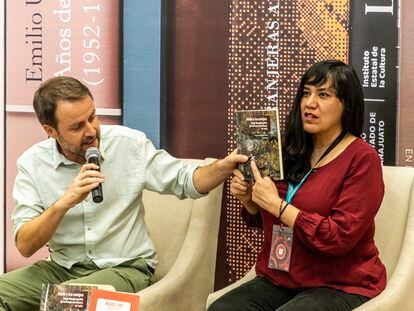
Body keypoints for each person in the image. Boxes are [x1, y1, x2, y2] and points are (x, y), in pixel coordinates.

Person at [0, 76, 248, 311]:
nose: (90, 131)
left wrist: (221, 168)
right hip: (63, 268)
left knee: (67, 299)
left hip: (126, 267)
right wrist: (64, 203)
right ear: (51, 130)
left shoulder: (128, 144)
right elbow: (25, 244)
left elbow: (185, 180)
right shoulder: (32, 163)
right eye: (77, 126)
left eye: (92, 117)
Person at [208, 60, 386, 311]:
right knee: (221, 309)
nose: (310, 103)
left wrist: (277, 205)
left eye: (323, 95)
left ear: (347, 106)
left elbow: (339, 237)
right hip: (282, 278)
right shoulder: (289, 150)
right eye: (306, 93)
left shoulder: (362, 159)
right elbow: (268, 221)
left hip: (340, 283)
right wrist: (251, 200)